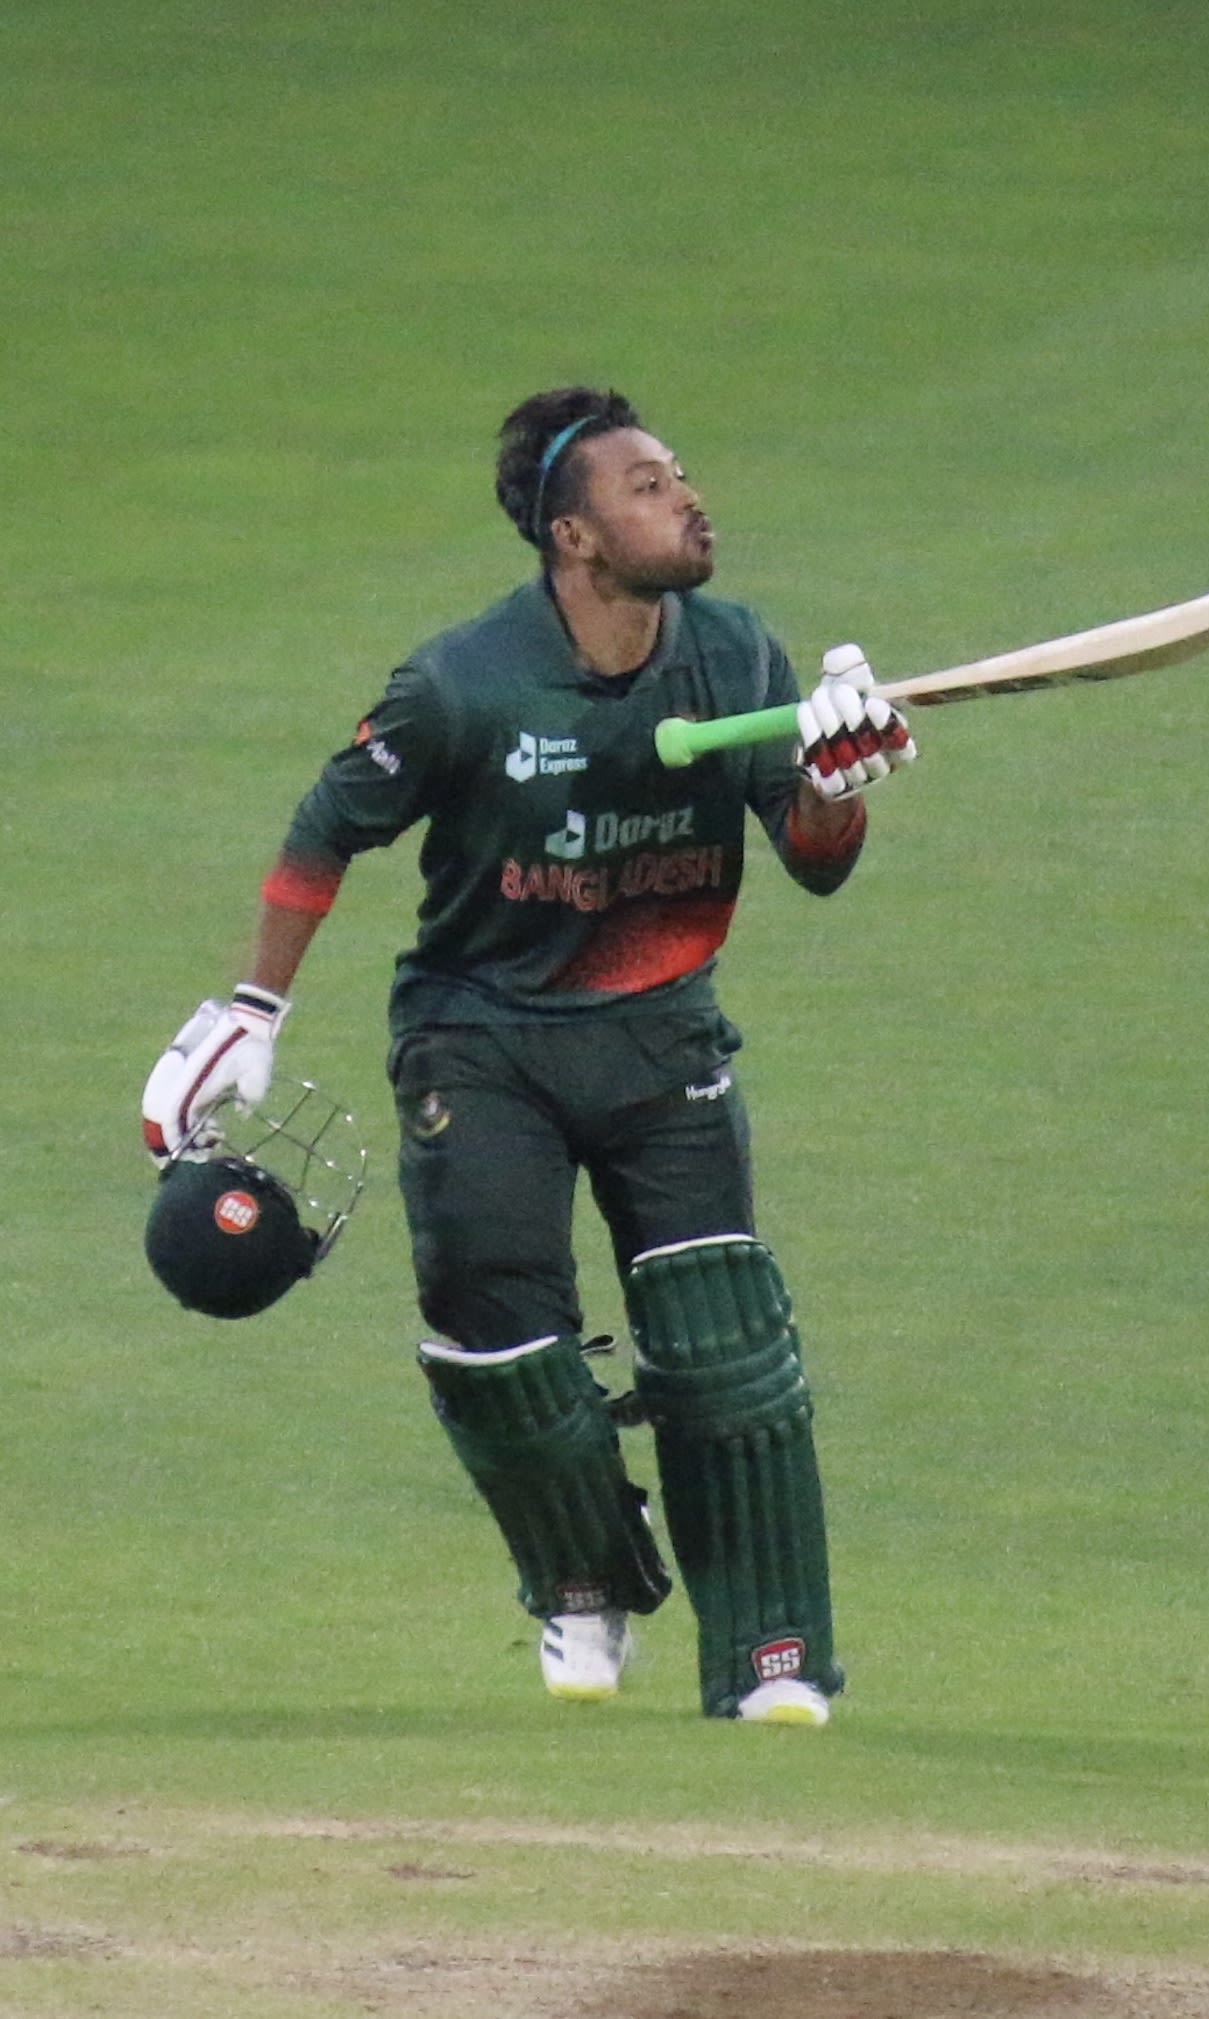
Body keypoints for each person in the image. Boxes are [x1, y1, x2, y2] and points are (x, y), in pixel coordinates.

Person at [142, 386, 917, 1725]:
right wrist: (251, 1010)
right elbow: (329, 826)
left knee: (724, 1349)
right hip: (483, 1035)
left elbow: (813, 863)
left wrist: (836, 787)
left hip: (662, 1033)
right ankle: (580, 1579)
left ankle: (771, 1655)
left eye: (681, 475)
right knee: (497, 1339)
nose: (687, 498)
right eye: (648, 486)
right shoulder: (463, 681)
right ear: (575, 535)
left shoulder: (736, 657)